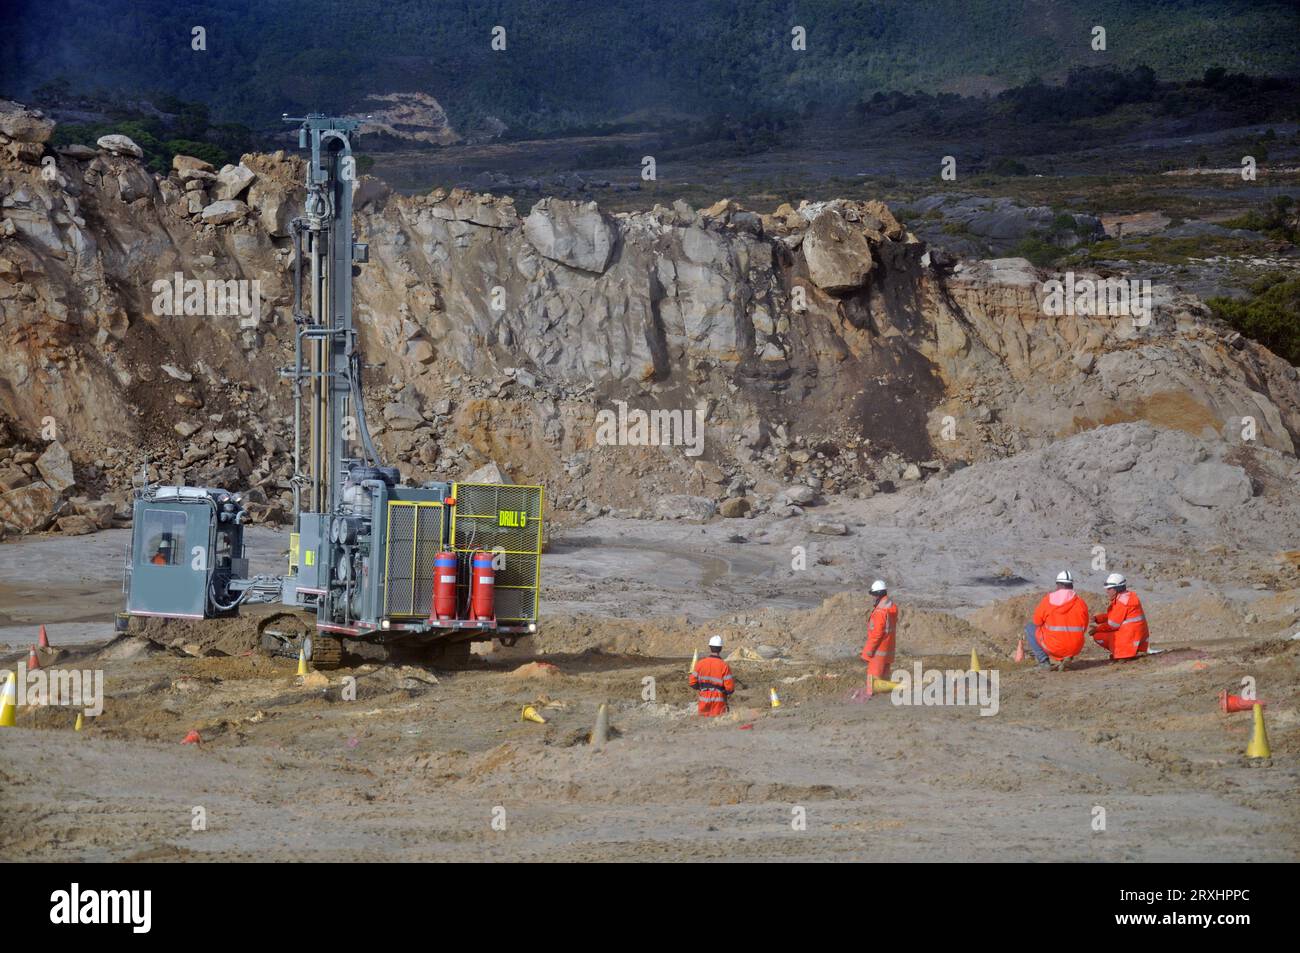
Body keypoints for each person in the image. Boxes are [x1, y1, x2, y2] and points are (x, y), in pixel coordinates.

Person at [1025, 570, 1089, 671]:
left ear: (1058, 585)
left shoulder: (1048, 600)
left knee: (1030, 627)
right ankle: (1066, 658)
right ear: (1071, 585)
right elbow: (1084, 627)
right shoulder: (1081, 602)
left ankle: (1044, 662)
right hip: (1075, 647)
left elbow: (1037, 622)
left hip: (1054, 647)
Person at [1091, 572, 1149, 660]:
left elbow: (1112, 625)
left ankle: (1122, 654)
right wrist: (1097, 619)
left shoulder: (1122, 603)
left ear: (1116, 589)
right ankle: (1128, 651)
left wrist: (1097, 629)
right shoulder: (1128, 597)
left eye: (1109, 589)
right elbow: (1115, 616)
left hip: (1129, 637)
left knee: (1098, 636)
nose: (1107, 591)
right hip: (1137, 636)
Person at [861, 579, 898, 685]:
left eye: (874, 595)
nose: (873, 598)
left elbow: (877, 634)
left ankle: (870, 695)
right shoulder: (892, 607)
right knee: (885, 676)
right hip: (888, 649)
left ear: (878, 595)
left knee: (873, 679)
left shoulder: (880, 612)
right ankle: (884, 694)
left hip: (878, 650)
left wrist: (868, 651)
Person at [689, 635, 735, 716]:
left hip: (703, 699)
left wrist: (702, 689)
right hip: (718, 702)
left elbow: (692, 683)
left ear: (710, 647)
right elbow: (730, 689)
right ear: (721, 648)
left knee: (703, 722)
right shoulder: (724, 666)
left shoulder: (700, 664)